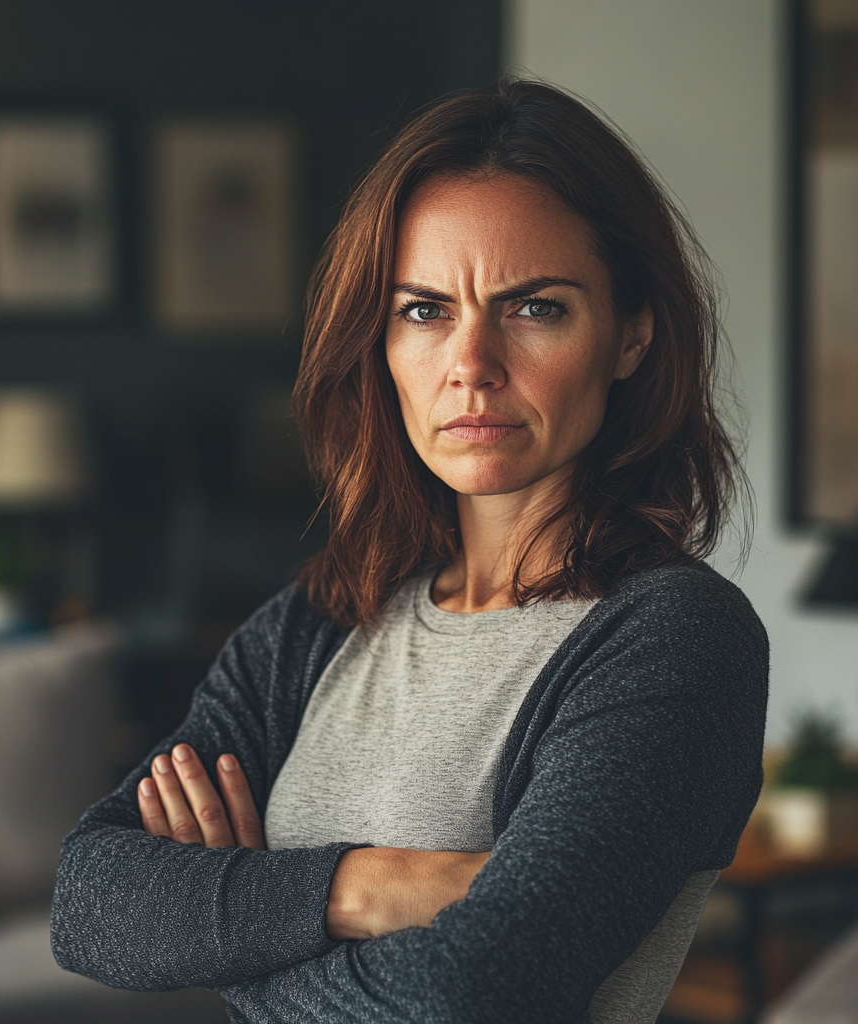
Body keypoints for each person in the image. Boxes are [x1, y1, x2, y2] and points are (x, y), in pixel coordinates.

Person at [51, 79, 768, 1024]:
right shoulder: (325, 616)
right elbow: (89, 901)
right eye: (424, 310)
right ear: (378, 340)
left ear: (631, 332)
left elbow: (473, 993)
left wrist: (231, 924)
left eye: (536, 308)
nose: (471, 363)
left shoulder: (674, 638)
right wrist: (374, 885)